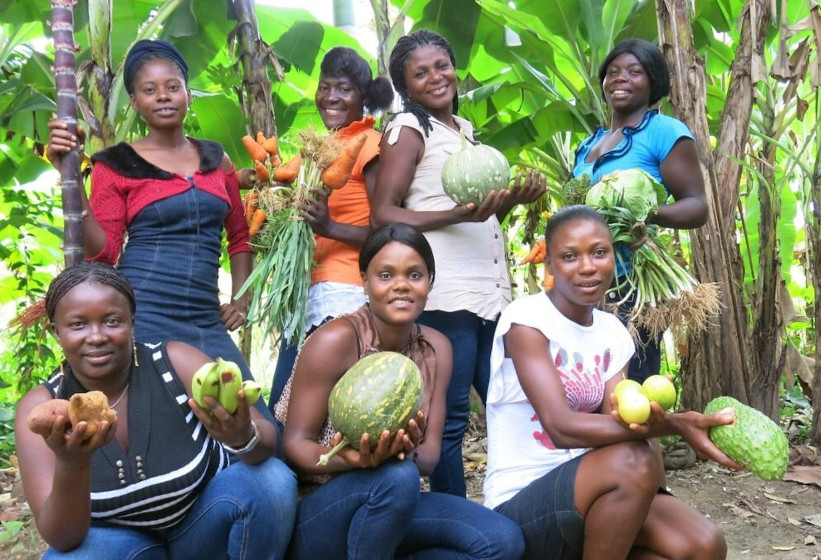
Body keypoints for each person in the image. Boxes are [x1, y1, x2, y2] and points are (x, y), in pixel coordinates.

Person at [45, 39, 278, 440]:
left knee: (257, 428)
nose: (163, 97)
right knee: (165, 431)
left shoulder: (215, 159)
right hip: (145, 317)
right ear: (135, 101)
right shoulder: (116, 165)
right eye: (149, 90)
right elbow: (103, 252)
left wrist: (241, 299)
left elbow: (240, 237)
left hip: (205, 319)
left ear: (188, 93)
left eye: (172, 87)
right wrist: (71, 179)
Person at [484, 206, 740, 560]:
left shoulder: (612, 331)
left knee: (703, 546)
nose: (587, 266)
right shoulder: (526, 320)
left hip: (595, 495)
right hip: (523, 505)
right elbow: (562, 428)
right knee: (631, 460)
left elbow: (624, 422)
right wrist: (677, 424)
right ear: (550, 266)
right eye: (570, 256)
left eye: (599, 252)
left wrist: (653, 479)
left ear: (614, 258)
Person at [13, 263, 297, 559]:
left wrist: (243, 437)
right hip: (121, 546)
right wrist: (72, 465)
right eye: (78, 324)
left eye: (112, 321)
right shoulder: (45, 409)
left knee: (271, 481)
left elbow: (266, 441)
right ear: (56, 332)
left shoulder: (175, 362)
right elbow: (63, 539)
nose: (96, 336)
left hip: (201, 529)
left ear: (132, 323)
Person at [277, 223, 525, 560]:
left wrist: (400, 451)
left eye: (414, 275)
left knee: (501, 540)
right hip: (319, 513)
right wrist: (355, 461)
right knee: (397, 476)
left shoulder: (436, 348)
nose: (401, 286)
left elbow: (429, 456)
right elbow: (295, 446)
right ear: (364, 280)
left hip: (391, 506)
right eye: (385, 275)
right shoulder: (335, 340)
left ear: (430, 282)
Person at [372, 28, 547, 497]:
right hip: (447, 294)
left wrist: (514, 201)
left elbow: (482, 217)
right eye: (420, 72)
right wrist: (455, 213)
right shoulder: (408, 130)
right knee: (448, 419)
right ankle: (456, 518)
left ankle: (517, 504)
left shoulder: (464, 132)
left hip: (490, 294)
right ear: (405, 86)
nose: (436, 77)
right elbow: (382, 214)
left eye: (442, 65)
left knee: (509, 404)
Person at [571, 38, 708, 382]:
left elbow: (697, 207)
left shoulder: (664, 131)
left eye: (635, 71)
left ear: (654, 82)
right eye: (613, 72)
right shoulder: (588, 145)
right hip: (583, 281)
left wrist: (640, 215)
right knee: (589, 381)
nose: (621, 78)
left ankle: (643, 439)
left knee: (634, 384)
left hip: (634, 284)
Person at [268, 46, 394, 415]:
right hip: (309, 291)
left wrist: (329, 226)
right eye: (325, 87)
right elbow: (278, 180)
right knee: (289, 406)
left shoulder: (368, 142)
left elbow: (384, 231)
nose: (331, 97)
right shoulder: (321, 146)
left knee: (318, 409)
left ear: (363, 98)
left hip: (345, 291)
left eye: (343, 88)